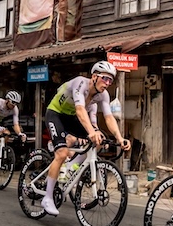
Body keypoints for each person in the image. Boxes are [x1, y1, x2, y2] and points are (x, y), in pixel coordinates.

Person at [40, 61, 132, 216]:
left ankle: (71, 167)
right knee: (62, 153)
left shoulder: (103, 95)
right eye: (105, 78)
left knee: (99, 140)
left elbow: (109, 117)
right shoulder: (80, 83)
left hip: (71, 118)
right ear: (94, 77)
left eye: (110, 80)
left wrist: (119, 137)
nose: (107, 83)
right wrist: (91, 131)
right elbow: (80, 110)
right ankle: (47, 198)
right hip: (55, 114)